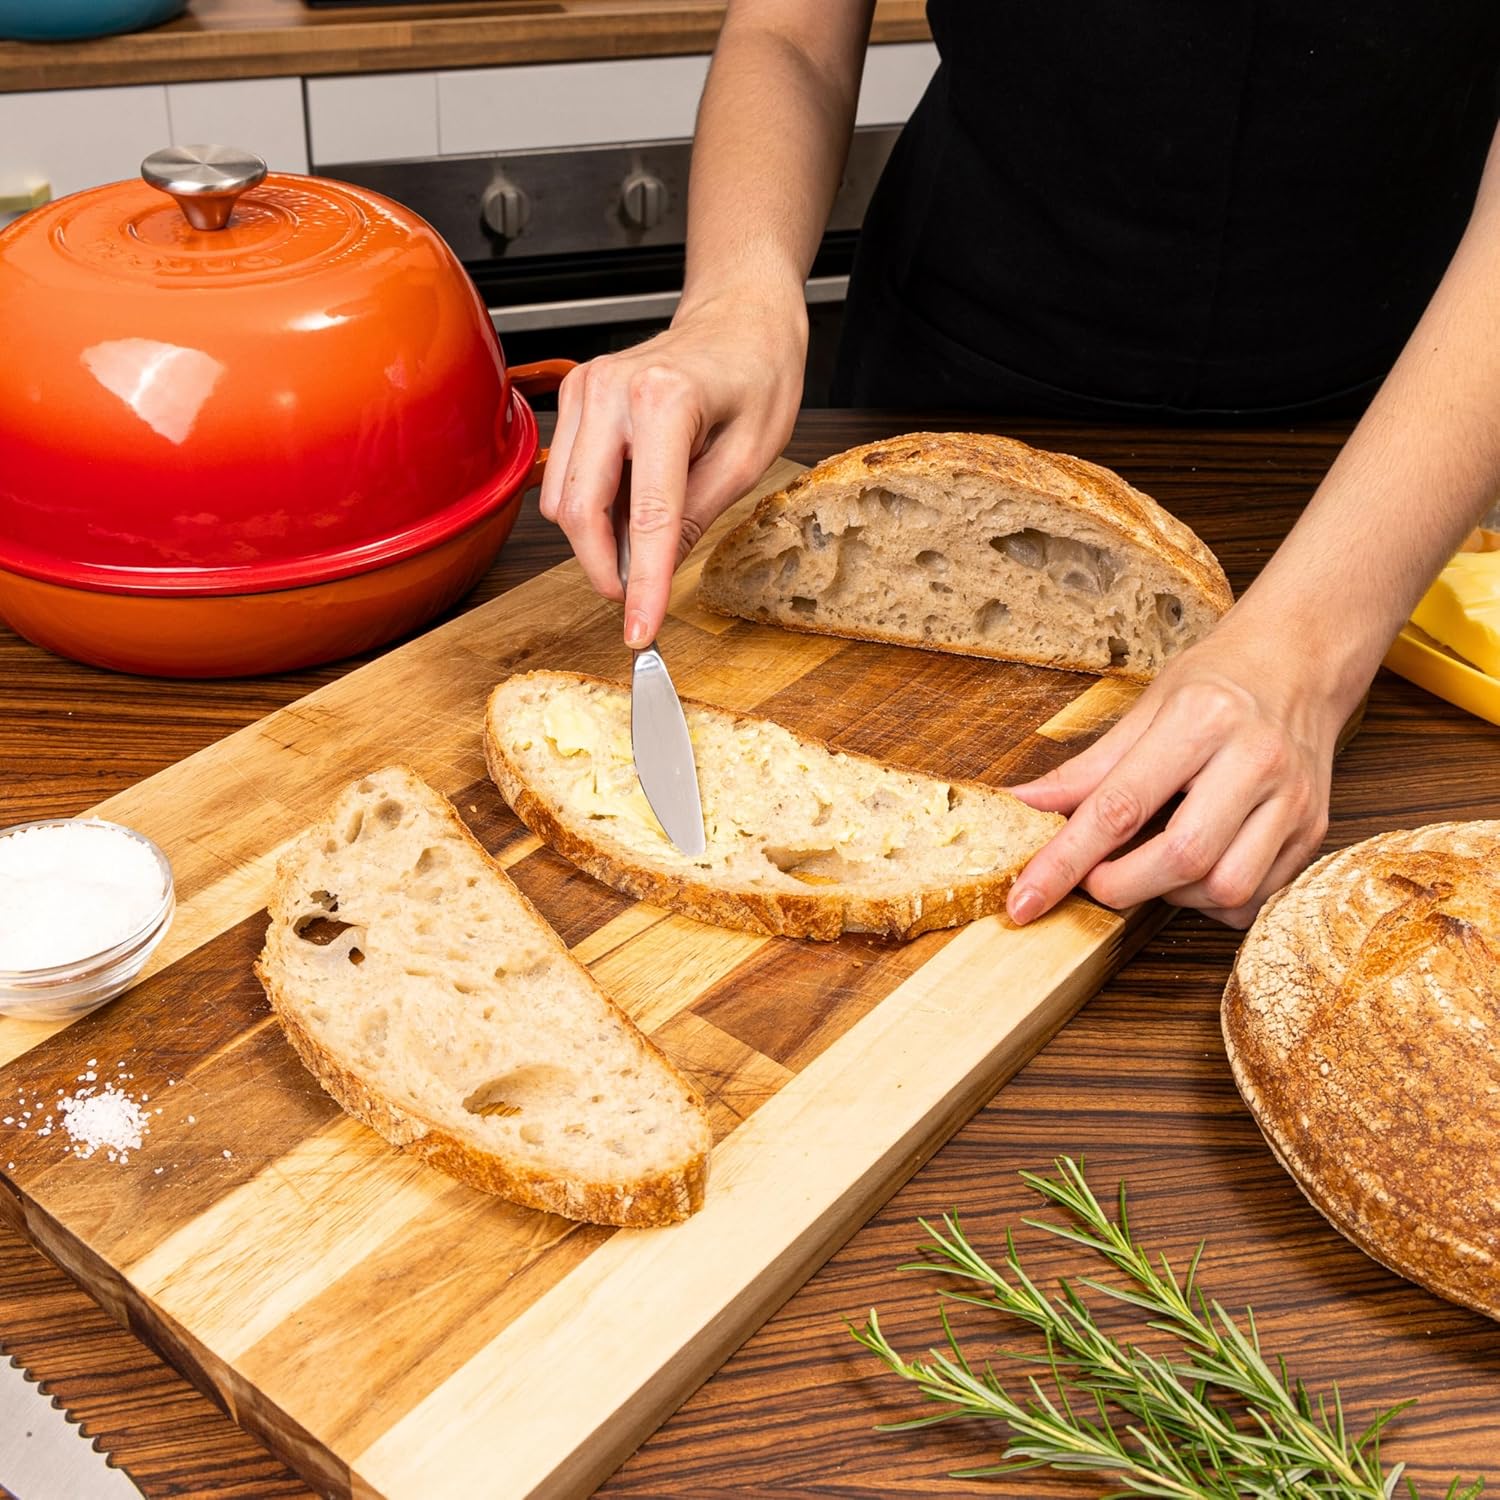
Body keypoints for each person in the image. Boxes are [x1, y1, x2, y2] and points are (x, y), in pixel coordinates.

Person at [536, 1, 1500, 929]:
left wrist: (1310, 649)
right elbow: (791, 31)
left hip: (1399, 446)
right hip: (942, 362)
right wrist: (736, 297)